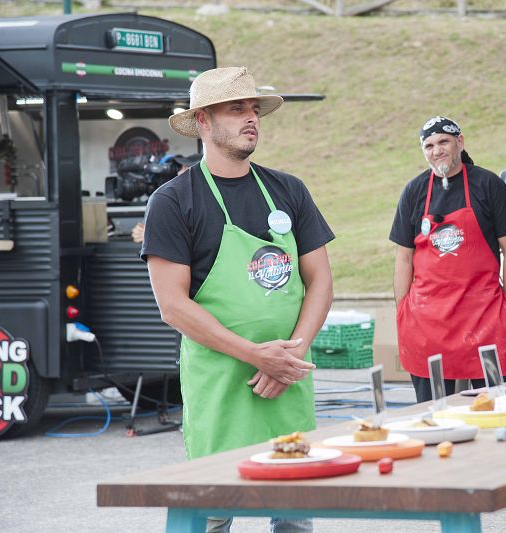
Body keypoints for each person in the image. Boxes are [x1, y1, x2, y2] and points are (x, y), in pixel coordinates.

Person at [141, 66, 334, 533]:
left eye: (254, 109)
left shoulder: (289, 189)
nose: (251, 118)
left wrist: (293, 353)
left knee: (294, 514)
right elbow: (173, 306)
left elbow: (321, 281)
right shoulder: (173, 202)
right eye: (236, 109)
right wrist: (255, 356)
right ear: (203, 122)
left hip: (288, 379)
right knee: (211, 513)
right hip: (222, 388)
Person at [390, 116, 506, 403]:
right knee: (434, 411)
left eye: (444, 142)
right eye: (429, 145)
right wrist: (403, 310)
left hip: (484, 319)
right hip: (427, 323)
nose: (437, 150)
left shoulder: (488, 185)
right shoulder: (414, 191)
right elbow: (403, 258)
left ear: (459, 142)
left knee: (492, 406)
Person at [132, 154, 200, 244]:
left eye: (186, 169)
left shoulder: (205, 200)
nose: (179, 173)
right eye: (180, 168)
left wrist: (155, 234)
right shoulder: (167, 200)